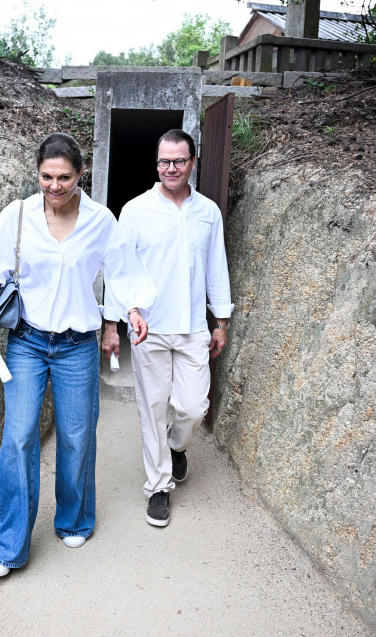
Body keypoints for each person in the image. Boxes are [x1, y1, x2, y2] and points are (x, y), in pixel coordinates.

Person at [0, 132, 155, 577]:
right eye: (46, 177)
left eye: (64, 178)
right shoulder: (17, 215)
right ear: (37, 173)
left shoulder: (100, 220)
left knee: (76, 434)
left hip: (77, 346)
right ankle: (7, 547)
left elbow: (123, 271)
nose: (54, 186)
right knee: (18, 435)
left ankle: (74, 519)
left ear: (81, 174)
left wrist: (132, 310)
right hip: (27, 343)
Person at [103, 128, 233, 528]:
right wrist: (116, 321)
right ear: (156, 163)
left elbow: (216, 267)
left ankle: (177, 446)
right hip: (149, 329)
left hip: (193, 328)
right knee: (153, 408)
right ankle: (158, 487)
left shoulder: (208, 212)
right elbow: (119, 269)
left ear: (193, 162)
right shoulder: (135, 211)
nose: (170, 168)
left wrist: (221, 321)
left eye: (178, 160)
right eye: (164, 161)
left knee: (193, 408)